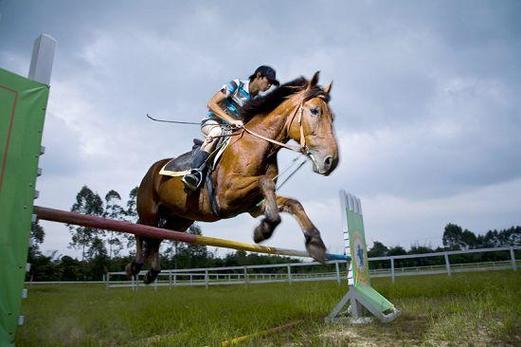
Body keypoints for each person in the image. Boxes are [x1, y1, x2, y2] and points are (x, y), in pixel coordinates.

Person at [182, 65, 280, 191]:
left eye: (272, 84)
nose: (269, 86)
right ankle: (194, 173)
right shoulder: (236, 85)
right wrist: (231, 120)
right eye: (268, 81)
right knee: (217, 132)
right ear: (258, 76)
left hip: (231, 132)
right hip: (212, 123)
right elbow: (211, 104)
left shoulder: (257, 101)